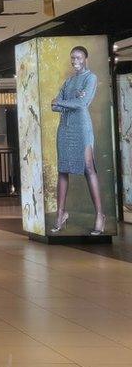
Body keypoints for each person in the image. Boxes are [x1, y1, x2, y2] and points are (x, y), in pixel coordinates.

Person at [51, 46, 104, 235]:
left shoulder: (91, 78)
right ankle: (60, 214)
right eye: (72, 57)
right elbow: (53, 106)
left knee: (89, 167)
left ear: (85, 58)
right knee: (62, 169)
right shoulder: (69, 81)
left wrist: (63, 102)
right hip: (64, 128)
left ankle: (100, 215)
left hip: (82, 128)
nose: (75, 60)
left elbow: (82, 104)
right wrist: (67, 102)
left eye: (78, 57)